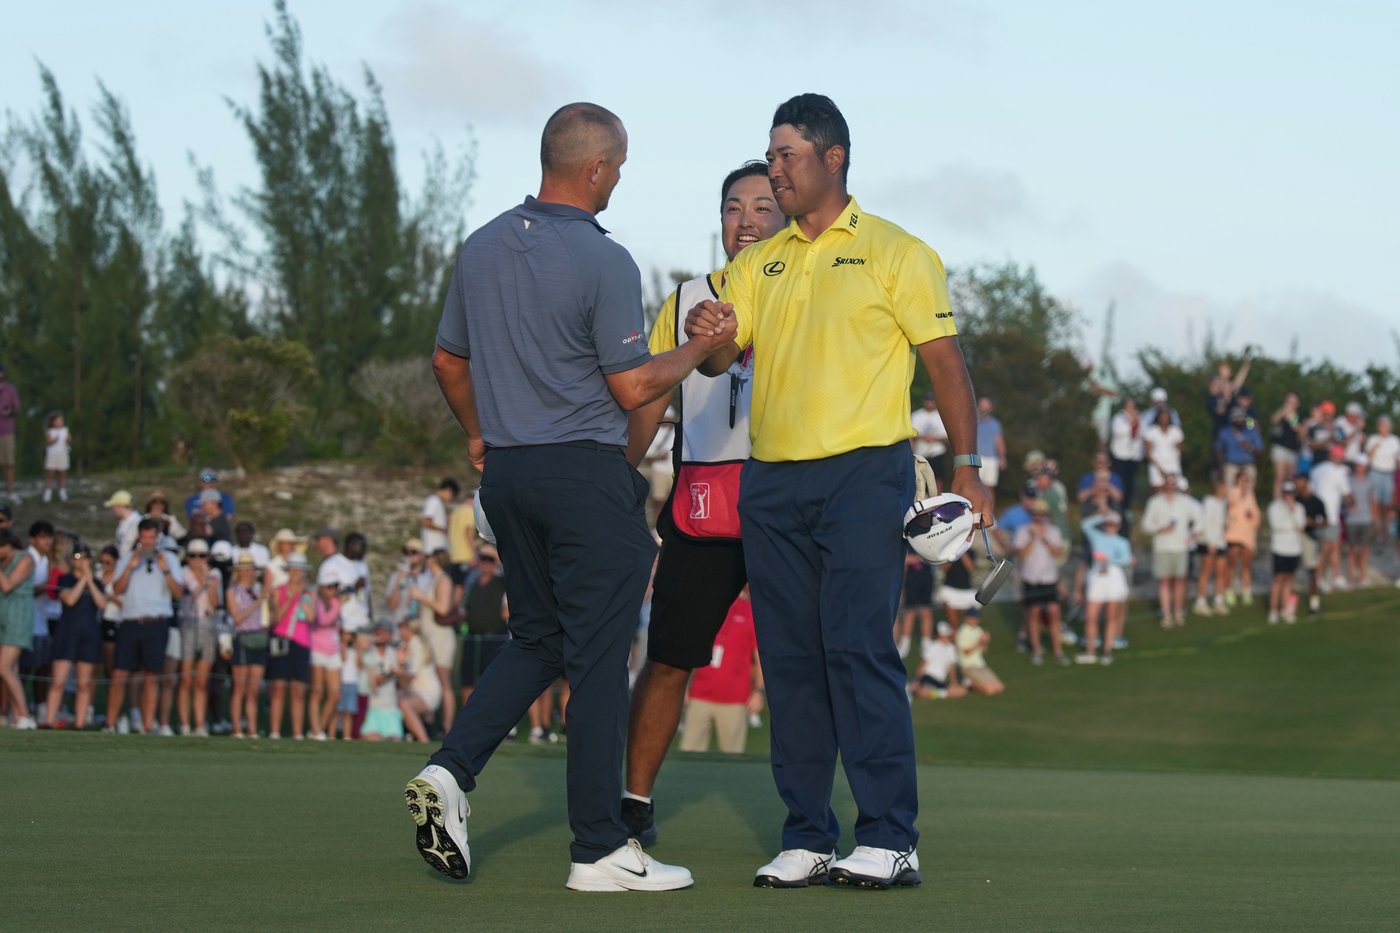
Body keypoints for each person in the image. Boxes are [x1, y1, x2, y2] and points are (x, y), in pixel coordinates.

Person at [409, 102, 728, 891]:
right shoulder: (603, 259)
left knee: (540, 640)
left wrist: (480, 435)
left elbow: (449, 364)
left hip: (510, 475)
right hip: (582, 477)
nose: (618, 179)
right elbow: (632, 384)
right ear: (594, 168)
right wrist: (699, 344)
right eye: (617, 167)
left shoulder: (480, 246)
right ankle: (599, 849)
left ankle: (451, 770)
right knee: (596, 662)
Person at [683, 94, 994, 890]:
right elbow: (722, 362)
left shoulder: (898, 250)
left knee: (858, 648)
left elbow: (949, 365)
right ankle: (808, 834)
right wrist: (711, 339)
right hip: (773, 481)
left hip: (865, 474)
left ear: (834, 158)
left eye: (786, 155)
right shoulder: (761, 261)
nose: (773, 169)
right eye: (770, 154)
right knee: (789, 660)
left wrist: (971, 465)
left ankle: (891, 835)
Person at [616, 159, 785, 847]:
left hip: (787, 501)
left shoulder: (808, 291)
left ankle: (812, 821)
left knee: (803, 667)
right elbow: (647, 398)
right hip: (703, 504)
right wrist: (610, 471)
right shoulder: (686, 295)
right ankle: (632, 801)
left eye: (763, 207)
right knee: (667, 659)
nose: (745, 220)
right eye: (733, 207)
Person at [106, 519, 181, 734]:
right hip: (131, 621)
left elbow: (178, 593)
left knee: (152, 676)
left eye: (152, 537)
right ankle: (110, 724)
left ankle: (148, 726)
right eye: (144, 537)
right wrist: (130, 567)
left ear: (158, 538)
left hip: (157, 622)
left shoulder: (170, 559)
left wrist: (165, 571)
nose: (148, 542)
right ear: (139, 537)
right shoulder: (129, 558)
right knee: (120, 673)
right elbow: (117, 589)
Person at [677, 589, 763, 754]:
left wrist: (759, 690)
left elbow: (759, 656)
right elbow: (690, 647)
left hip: (734, 698)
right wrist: (684, 685)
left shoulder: (750, 611)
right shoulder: (706, 607)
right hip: (700, 694)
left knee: (732, 758)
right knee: (688, 754)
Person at [45, 544, 105, 728]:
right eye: (78, 557)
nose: (81, 561)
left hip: (89, 634)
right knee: (58, 682)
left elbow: (101, 603)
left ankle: (80, 724)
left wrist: (90, 579)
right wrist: (83, 579)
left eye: (85, 558)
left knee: (83, 684)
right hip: (67, 632)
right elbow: (70, 600)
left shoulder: (97, 583)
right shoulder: (65, 579)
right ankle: (48, 720)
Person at [1013, 499, 1069, 664]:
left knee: (1054, 612)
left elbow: (1057, 552)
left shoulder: (1053, 530)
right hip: (1031, 577)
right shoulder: (1023, 530)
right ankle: (1036, 649)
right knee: (1034, 613)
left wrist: (1044, 537)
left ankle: (1058, 650)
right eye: (1036, 513)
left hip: (1049, 577)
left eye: (1041, 514)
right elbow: (1021, 554)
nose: (1039, 517)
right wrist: (1032, 537)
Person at [1142, 476, 1202, 628]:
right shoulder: (1154, 502)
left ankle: (1178, 612)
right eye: (1168, 482)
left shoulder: (1185, 501)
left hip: (1180, 547)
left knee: (1180, 581)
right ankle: (1166, 614)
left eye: (1173, 482)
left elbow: (1200, 516)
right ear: (1164, 484)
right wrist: (1159, 529)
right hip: (1162, 547)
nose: (1170, 485)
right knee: (1164, 581)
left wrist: (1193, 534)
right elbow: (1146, 525)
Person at [408, 549, 458, 732]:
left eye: (429, 557)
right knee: (432, 678)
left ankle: (447, 725)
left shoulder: (443, 580)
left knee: (444, 681)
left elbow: (443, 609)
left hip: (440, 637)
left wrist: (422, 597)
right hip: (430, 635)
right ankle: (430, 723)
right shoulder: (432, 579)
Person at [176, 538, 222, 736]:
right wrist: (200, 581)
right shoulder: (183, 574)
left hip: (207, 624)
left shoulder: (215, 574)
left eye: (201, 556)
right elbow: (187, 596)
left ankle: (200, 724)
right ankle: (185, 724)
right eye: (193, 556)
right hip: (187, 623)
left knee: (202, 681)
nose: (197, 560)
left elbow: (214, 602)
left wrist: (207, 581)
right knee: (186, 678)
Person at [266, 552, 313, 740]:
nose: (295, 572)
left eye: (299, 569)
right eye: (293, 568)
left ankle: (297, 732)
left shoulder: (309, 592)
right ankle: (275, 731)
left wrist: (301, 597)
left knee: (299, 690)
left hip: (301, 641)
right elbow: (275, 618)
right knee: (278, 687)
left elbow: (311, 617)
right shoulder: (279, 590)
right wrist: (290, 599)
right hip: (282, 639)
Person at [1076, 511, 1131, 665]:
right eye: (1108, 524)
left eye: (1113, 524)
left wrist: (1109, 559)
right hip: (1097, 576)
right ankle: (1090, 650)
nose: (1110, 527)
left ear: (1118, 526)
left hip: (1113, 577)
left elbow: (1126, 560)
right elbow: (1085, 525)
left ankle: (1107, 651)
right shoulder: (1097, 536)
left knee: (1111, 616)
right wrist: (1102, 515)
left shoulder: (1122, 542)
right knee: (1091, 616)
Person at [457, 542, 507, 708]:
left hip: (495, 637)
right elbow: (462, 606)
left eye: (489, 559)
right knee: (468, 679)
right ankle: (468, 717)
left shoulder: (502, 581)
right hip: (473, 636)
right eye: (482, 558)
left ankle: (495, 716)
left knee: (495, 680)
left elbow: (510, 570)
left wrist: (497, 558)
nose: (485, 562)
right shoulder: (472, 581)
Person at [225, 553, 267, 739]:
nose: (247, 573)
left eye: (250, 569)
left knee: (253, 689)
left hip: (259, 637)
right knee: (240, 687)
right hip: (242, 637)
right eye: (244, 569)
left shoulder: (258, 589)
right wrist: (256, 604)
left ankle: (252, 728)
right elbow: (237, 618)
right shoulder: (233, 591)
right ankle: (237, 728)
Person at [0, 527, 36, 727]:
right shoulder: (4, 562)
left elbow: (7, 586)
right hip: (4, 617)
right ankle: (17, 715)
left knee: (4, 668)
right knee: (11, 668)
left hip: (18, 618)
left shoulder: (25, 559)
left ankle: (24, 715)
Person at [308, 567, 344, 741]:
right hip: (317, 649)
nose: (332, 590)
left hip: (333, 650)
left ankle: (318, 729)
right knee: (317, 691)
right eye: (329, 586)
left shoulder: (336, 603)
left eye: (335, 586)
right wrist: (338, 605)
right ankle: (316, 730)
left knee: (335, 694)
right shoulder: (317, 602)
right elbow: (322, 620)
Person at [1309, 445, 1350, 592]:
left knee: (1333, 547)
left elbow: (1311, 490)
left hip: (1319, 516)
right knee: (1326, 549)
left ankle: (1335, 576)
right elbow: (1346, 494)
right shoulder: (1340, 472)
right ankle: (1321, 579)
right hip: (1330, 516)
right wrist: (1352, 502)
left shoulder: (1317, 469)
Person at [397, 618, 442, 744]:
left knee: (404, 704)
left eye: (402, 628)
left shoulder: (416, 644)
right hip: (417, 691)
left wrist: (397, 669)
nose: (399, 632)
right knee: (396, 697)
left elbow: (411, 675)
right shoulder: (407, 645)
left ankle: (423, 740)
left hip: (426, 692)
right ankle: (423, 729)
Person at [1266, 481, 1306, 624]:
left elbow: (1301, 526)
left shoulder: (1299, 508)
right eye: (1286, 493)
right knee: (1278, 579)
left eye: (1291, 493)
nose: (1288, 496)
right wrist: (1290, 519)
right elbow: (1276, 525)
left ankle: (1284, 608)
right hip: (1279, 548)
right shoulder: (1275, 507)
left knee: (1289, 579)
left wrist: (1292, 513)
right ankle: (1273, 610)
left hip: (1294, 548)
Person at [1193, 473, 1232, 615]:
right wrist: (1209, 542)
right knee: (1206, 571)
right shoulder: (1208, 501)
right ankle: (1201, 602)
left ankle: (1218, 600)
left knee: (1221, 572)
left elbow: (1222, 523)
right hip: (1208, 541)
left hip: (1220, 541)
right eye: (1223, 487)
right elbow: (1205, 523)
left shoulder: (1223, 503)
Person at [1223, 471, 1262, 607]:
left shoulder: (1251, 496)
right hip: (1234, 533)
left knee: (1246, 565)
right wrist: (1242, 493)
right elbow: (1231, 504)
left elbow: (1256, 515)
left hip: (1247, 534)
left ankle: (1246, 592)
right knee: (1231, 564)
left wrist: (1252, 517)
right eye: (1243, 480)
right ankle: (1229, 591)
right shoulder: (1234, 492)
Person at [361, 621, 403, 741]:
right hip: (372, 708)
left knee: (395, 741)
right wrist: (391, 673)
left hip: (391, 708)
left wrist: (402, 669)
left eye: (385, 633)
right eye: (378, 632)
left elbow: (404, 681)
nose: (381, 635)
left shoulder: (395, 653)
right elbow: (375, 682)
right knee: (372, 740)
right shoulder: (369, 653)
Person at [1293, 473, 1328, 613]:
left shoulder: (1316, 501)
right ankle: (1290, 603)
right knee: (1292, 572)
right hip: (1294, 539)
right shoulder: (1294, 500)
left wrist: (1312, 523)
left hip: (1309, 537)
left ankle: (1314, 603)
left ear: (1306, 482)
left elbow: (1325, 522)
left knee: (1312, 571)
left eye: (1300, 480)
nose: (1297, 483)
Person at [1108, 397, 1145, 520]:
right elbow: (1118, 431)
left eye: (1133, 405)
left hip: (1133, 456)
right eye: (1129, 405)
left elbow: (1143, 432)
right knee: (1119, 483)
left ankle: (1127, 509)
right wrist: (1132, 424)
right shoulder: (1119, 418)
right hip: (1120, 455)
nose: (1131, 407)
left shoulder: (1140, 417)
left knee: (1130, 484)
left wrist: (1137, 422)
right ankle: (1116, 507)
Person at [911, 621, 966, 699]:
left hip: (941, 681)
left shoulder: (951, 648)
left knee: (962, 691)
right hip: (928, 677)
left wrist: (954, 683)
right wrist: (916, 679)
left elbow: (951, 667)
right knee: (921, 691)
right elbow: (923, 664)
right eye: (946, 635)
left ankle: (938, 693)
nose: (948, 637)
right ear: (940, 635)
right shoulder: (932, 646)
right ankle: (940, 693)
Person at [955, 609, 1003, 696]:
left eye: (975, 618)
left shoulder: (978, 630)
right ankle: (967, 683)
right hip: (968, 666)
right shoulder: (962, 632)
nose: (973, 619)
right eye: (971, 617)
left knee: (999, 687)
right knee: (990, 690)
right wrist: (979, 642)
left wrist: (985, 642)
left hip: (980, 665)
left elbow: (984, 652)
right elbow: (966, 652)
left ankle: (969, 682)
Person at [1345, 457, 1378, 586]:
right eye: (1358, 465)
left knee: (1364, 549)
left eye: (1362, 465)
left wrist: (1374, 518)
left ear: (1365, 467)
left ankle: (1363, 576)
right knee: (1352, 549)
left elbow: (1373, 501)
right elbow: (1345, 498)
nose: (1360, 468)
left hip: (1365, 518)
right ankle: (1351, 576)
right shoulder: (1349, 481)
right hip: (1352, 519)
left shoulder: (1370, 482)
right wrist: (1349, 503)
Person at [1216, 407, 1264, 488]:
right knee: (1229, 486)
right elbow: (1219, 450)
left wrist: (1250, 447)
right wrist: (1222, 466)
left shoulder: (1251, 431)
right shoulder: (1225, 432)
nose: (1239, 420)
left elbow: (1260, 451)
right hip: (1231, 464)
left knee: (1250, 485)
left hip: (1248, 464)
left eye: (1241, 417)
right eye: (1237, 418)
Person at [1270, 392, 1305, 498]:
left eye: (1293, 402)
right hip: (1280, 448)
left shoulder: (1299, 417)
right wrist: (1283, 412)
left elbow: (1299, 431)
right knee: (1279, 477)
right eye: (1289, 402)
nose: (1291, 404)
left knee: (1291, 478)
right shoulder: (1281, 414)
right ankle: (1277, 502)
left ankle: (1289, 501)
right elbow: (1273, 421)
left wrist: (1292, 419)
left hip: (1292, 450)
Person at [1143, 406, 1185, 494]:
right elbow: (1147, 451)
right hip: (1156, 465)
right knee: (1158, 491)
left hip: (1173, 465)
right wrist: (1158, 467)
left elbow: (1181, 448)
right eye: (1162, 417)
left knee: (1180, 488)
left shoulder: (1176, 431)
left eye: (1166, 417)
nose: (1164, 419)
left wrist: (1179, 447)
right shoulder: (1151, 431)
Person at [976, 397, 1007, 500]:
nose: (984, 410)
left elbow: (999, 441)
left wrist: (1002, 457)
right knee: (976, 486)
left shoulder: (995, 424)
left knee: (990, 487)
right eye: (982, 407)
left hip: (991, 459)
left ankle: (990, 513)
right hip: (977, 458)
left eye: (987, 407)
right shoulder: (973, 421)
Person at [912, 393, 949, 480]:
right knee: (919, 479)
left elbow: (947, 437)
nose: (929, 403)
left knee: (938, 479)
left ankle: (937, 494)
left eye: (931, 401)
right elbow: (911, 434)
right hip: (920, 453)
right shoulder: (916, 415)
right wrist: (923, 437)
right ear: (924, 402)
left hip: (937, 452)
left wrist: (935, 438)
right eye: (927, 400)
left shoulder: (941, 416)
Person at [420, 477, 459, 555]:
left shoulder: (438, 502)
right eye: (452, 496)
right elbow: (425, 522)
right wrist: (443, 530)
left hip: (438, 549)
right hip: (433, 550)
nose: (451, 499)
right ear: (448, 490)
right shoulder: (434, 501)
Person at [0, 363, 19, 500]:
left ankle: (11, 492)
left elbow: (17, 409)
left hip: (7, 431)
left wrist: (9, 411)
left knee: (9, 463)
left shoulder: (10, 390)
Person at [42, 411, 71, 503]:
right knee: (51, 473)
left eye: (61, 421)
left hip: (63, 454)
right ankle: (48, 491)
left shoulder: (65, 430)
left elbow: (69, 440)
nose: (60, 422)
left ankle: (62, 491)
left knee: (63, 473)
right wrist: (54, 440)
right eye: (58, 421)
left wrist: (68, 439)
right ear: (53, 422)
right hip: (52, 455)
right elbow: (49, 441)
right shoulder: (50, 431)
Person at [106, 490, 141, 557]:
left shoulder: (138, 522)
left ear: (120, 506)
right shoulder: (123, 522)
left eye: (113, 507)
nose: (112, 510)